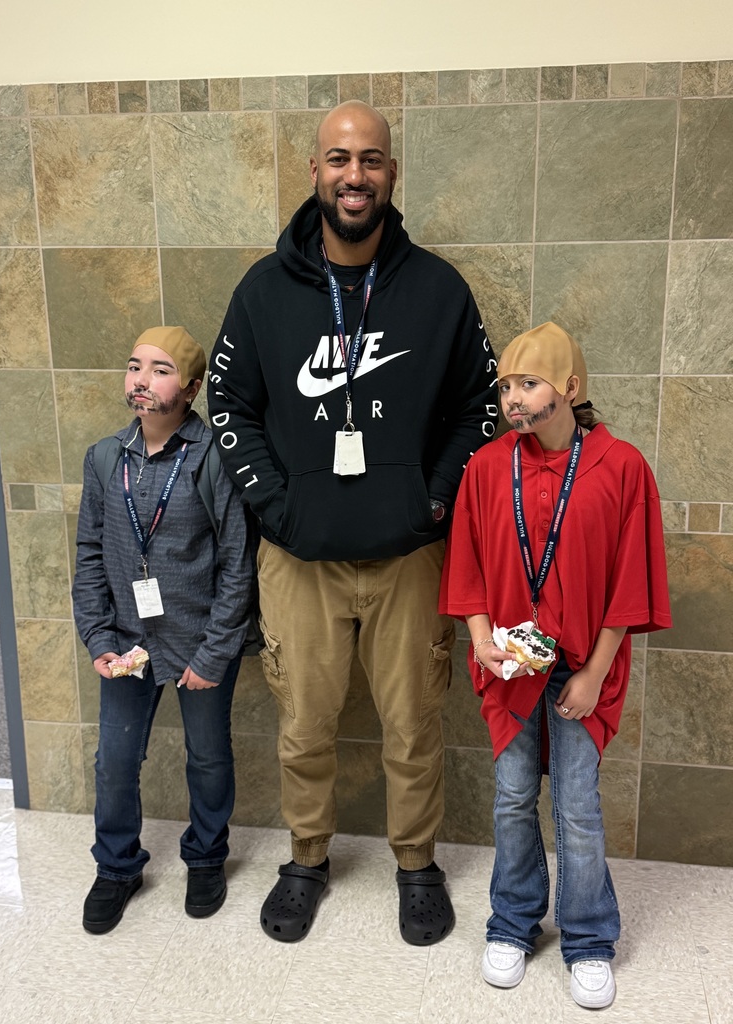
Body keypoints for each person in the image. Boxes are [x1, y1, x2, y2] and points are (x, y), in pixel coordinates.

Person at [207, 100, 498, 945]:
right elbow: (230, 401)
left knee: (414, 727)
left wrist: (432, 498)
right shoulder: (265, 291)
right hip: (299, 559)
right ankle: (306, 858)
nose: (354, 176)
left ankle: (415, 863)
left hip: (410, 555)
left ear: (392, 174)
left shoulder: (438, 289)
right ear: (314, 172)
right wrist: (274, 500)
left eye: (370, 160)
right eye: (339, 159)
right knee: (304, 726)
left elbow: (479, 406)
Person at [439, 322, 672, 1008]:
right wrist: (481, 638)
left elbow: (632, 584)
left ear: (570, 388)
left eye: (529, 383)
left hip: (581, 671)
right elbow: (469, 565)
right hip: (510, 669)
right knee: (512, 797)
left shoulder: (622, 468)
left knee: (576, 805)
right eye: (507, 384)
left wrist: (595, 673)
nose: (513, 397)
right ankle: (512, 922)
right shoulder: (487, 467)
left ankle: (589, 937)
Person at [73, 326, 255, 934]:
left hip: (199, 642)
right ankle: (117, 867)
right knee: (115, 761)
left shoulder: (212, 459)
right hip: (127, 642)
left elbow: (237, 563)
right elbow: (90, 554)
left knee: (206, 757)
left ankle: (206, 856)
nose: (141, 380)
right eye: (134, 367)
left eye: (159, 369)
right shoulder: (105, 458)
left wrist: (215, 652)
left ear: (192, 387)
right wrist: (99, 639)